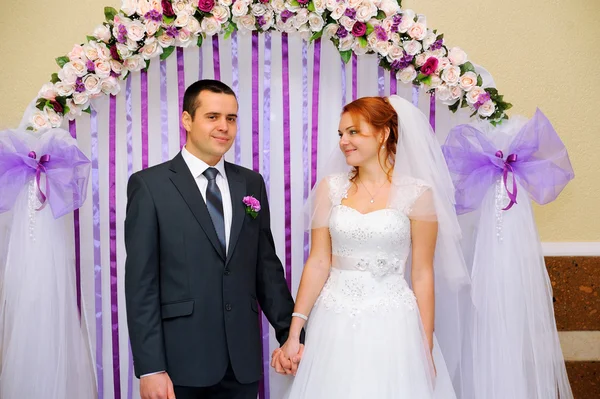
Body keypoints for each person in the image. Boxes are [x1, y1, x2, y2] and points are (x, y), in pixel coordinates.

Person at [271, 96, 473, 398]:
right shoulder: (331, 187)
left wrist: (425, 344)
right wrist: (296, 330)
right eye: (341, 134)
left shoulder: (417, 193)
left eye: (354, 132)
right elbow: (318, 262)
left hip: (392, 320)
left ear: (383, 134)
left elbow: (421, 273)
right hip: (334, 317)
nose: (344, 141)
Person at [125, 79, 302, 399]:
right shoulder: (149, 186)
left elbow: (266, 268)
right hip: (180, 364)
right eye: (213, 117)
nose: (224, 127)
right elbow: (141, 283)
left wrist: (291, 336)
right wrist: (151, 367)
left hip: (242, 363)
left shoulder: (251, 182)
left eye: (231, 118)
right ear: (187, 120)